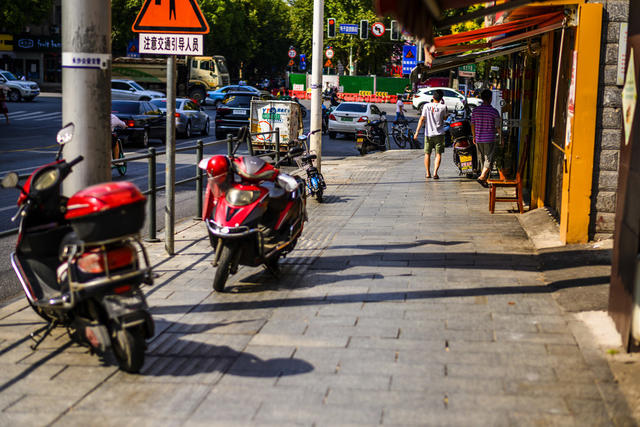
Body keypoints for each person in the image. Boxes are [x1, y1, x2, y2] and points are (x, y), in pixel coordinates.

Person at [413, 89, 447, 180]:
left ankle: (428, 173)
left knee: (427, 153)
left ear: (433, 97)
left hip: (428, 134)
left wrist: (416, 132)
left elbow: (421, 119)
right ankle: (435, 173)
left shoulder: (426, 106)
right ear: (441, 98)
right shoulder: (443, 107)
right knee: (438, 153)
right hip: (439, 134)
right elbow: (444, 118)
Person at [471, 89, 502, 186]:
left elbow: (472, 124)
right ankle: (482, 177)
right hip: (489, 138)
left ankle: (484, 179)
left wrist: (474, 136)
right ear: (490, 98)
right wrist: (501, 137)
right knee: (489, 159)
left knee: (482, 160)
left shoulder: (475, 110)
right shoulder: (494, 111)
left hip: (479, 138)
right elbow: (497, 126)